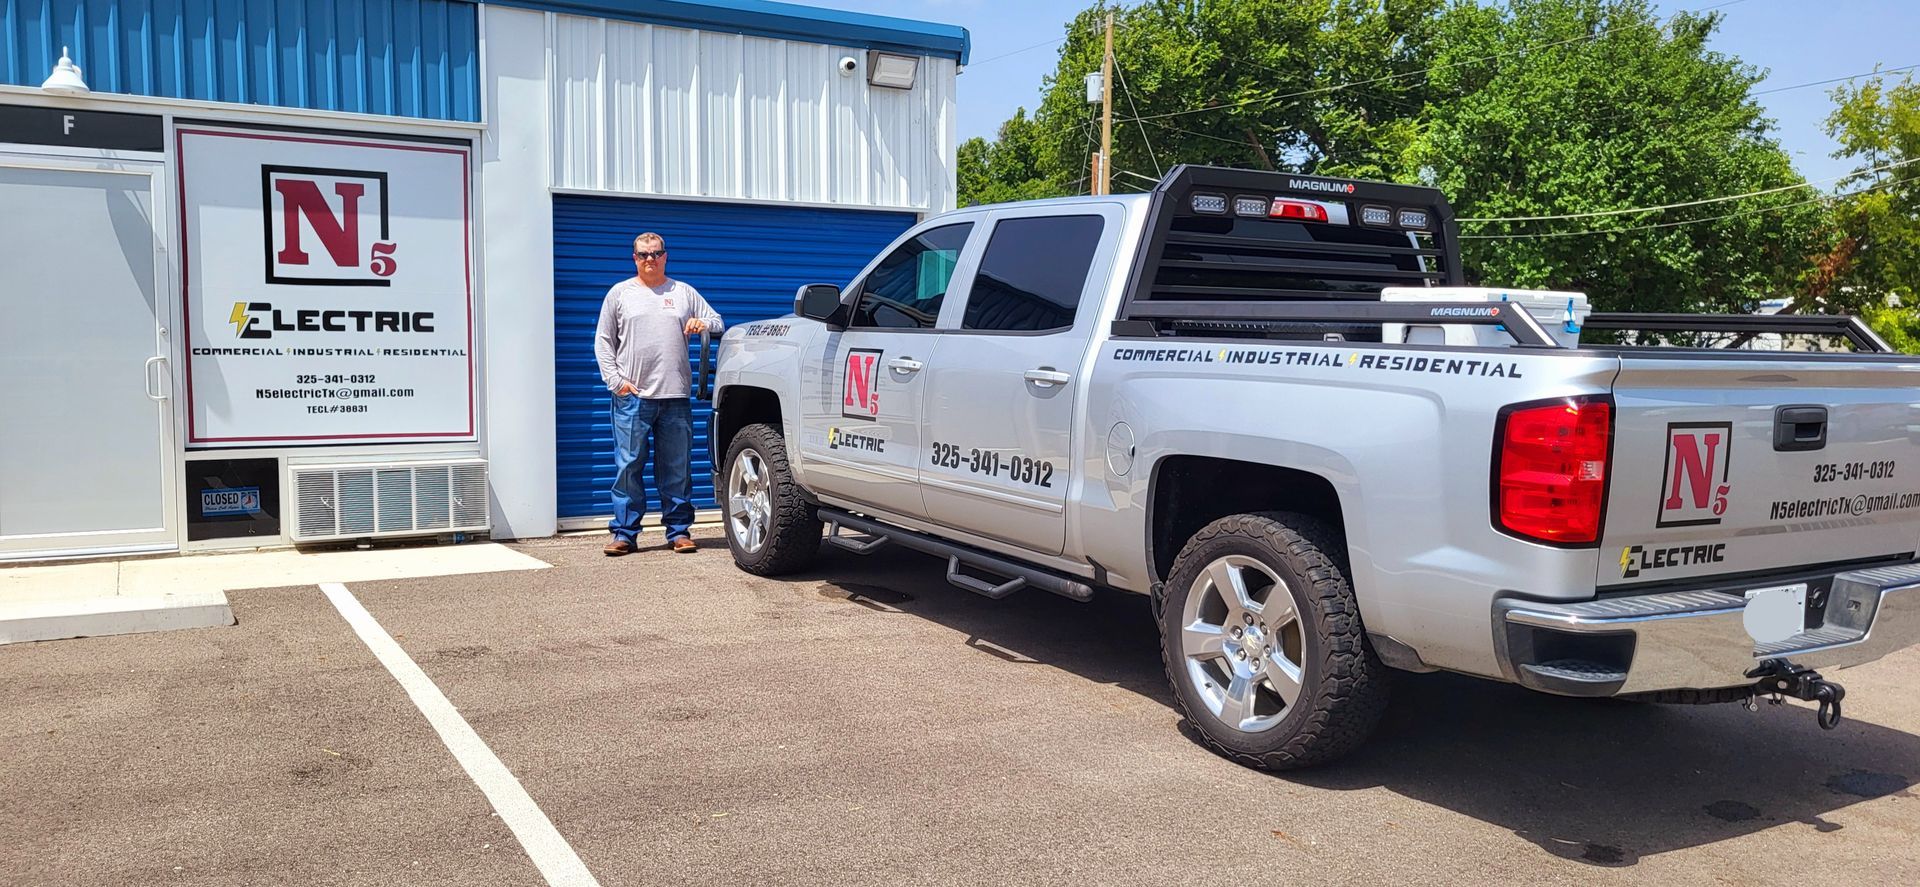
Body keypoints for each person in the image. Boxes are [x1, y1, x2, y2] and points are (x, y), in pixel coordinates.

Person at [593, 232, 723, 556]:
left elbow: (718, 322)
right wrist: (616, 382)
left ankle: (678, 532)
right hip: (632, 398)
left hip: (675, 397)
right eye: (643, 255)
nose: (649, 259)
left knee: (677, 468)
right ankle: (624, 533)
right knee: (628, 468)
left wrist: (701, 323)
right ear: (634, 258)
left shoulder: (683, 292)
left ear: (666, 256)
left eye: (655, 253)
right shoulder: (620, 294)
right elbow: (603, 342)